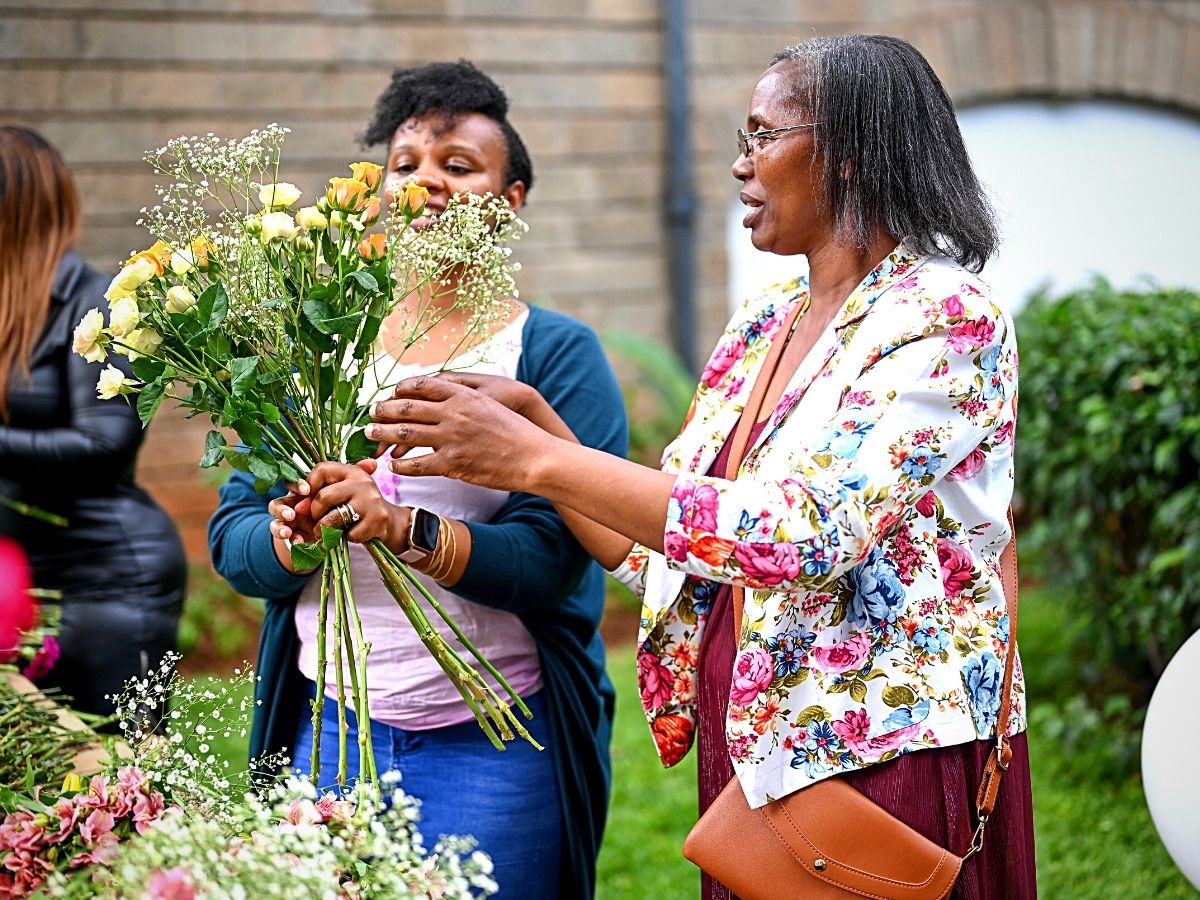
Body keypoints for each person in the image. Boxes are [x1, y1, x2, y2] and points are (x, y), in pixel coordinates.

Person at [355, 35, 1037, 899]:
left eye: (761, 136)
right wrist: (538, 438)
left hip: (885, 762)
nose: (739, 166)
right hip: (755, 757)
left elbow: (800, 532)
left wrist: (531, 455)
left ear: (852, 154)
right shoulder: (766, 322)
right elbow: (670, 546)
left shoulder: (945, 318)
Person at [208, 61, 627, 900]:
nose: (425, 183)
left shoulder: (550, 355)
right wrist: (293, 534)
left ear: (509, 205)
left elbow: (557, 559)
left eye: (458, 166)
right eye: (405, 164)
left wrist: (404, 529)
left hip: (499, 742)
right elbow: (233, 535)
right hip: (328, 732)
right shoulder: (313, 344)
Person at [0, 125, 186, 720]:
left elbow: (105, 441)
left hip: (105, 577)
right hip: (17, 575)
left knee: (111, 786)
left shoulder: (95, 304)